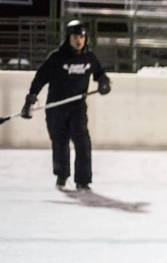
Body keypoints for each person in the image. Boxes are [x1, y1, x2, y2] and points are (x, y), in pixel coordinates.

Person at [22, 19, 111, 191]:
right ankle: (62, 175)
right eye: (76, 37)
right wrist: (31, 97)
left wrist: (104, 83)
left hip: (77, 107)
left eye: (82, 37)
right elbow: (40, 78)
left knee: (82, 142)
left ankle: (83, 180)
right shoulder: (56, 58)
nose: (79, 40)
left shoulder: (89, 58)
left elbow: (100, 74)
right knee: (60, 142)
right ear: (68, 37)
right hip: (56, 107)